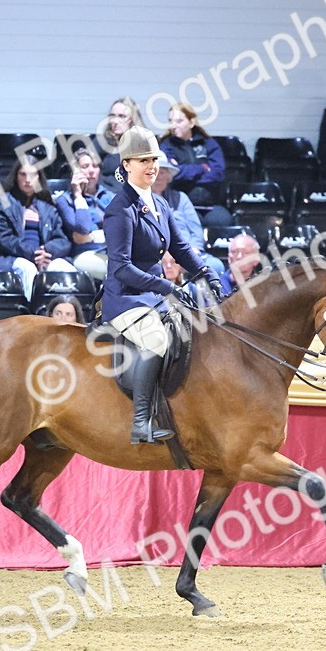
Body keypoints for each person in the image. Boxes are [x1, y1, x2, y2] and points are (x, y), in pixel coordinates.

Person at [103, 126, 222, 445]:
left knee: (197, 329)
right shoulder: (119, 210)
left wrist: (206, 272)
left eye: (153, 159)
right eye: (143, 160)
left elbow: (181, 249)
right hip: (126, 299)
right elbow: (121, 269)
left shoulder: (160, 204)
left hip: (153, 297)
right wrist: (165, 287)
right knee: (156, 339)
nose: (152, 166)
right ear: (127, 164)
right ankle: (141, 421)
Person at [0, 156, 75, 300]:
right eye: (23, 174)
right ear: (16, 176)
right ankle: (31, 314)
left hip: (44, 258)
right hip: (11, 258)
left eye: (33, 174)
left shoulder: (48, 207)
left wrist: (47, 251)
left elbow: (63, 240)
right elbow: (1, 238)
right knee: (27, 268)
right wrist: (32, 253)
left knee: (65, 269)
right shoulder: (1, 202)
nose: (27, 179)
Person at [154, 152, 225, 279]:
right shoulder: (137, 201)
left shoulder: (181, 198)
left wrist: (193, 251)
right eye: (154, 172)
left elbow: (195, 230)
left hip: (185, 254)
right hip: (156, 257)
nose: (158, 177)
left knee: (216, 265)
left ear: (168, 177)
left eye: (162, 172)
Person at [55, 148, 115, 280]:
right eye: (85, 166)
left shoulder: (110, 197)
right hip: (84, 255)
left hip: (113, 254)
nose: (92, 170)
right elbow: (83, 228)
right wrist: (78, 195)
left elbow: (122, 231)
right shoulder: (65, 200)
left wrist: (92, 237)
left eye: (95, 166)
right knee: (120, 271)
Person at [159, 103, 228, 210]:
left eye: (179, 121)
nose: (173, 126)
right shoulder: (166, 145)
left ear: (191, 122)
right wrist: (202, 169)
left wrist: (186, 175)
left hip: (212, 203)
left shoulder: (209, 143)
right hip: (179, 205)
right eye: (170, 121)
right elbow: (172, 174)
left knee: (223, 219)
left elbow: (218, 173)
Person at [94, 97, 143, 191]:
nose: (115, 121)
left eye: (122, 116)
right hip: (106, 196)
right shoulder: (102, 141)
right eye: (112, 116)